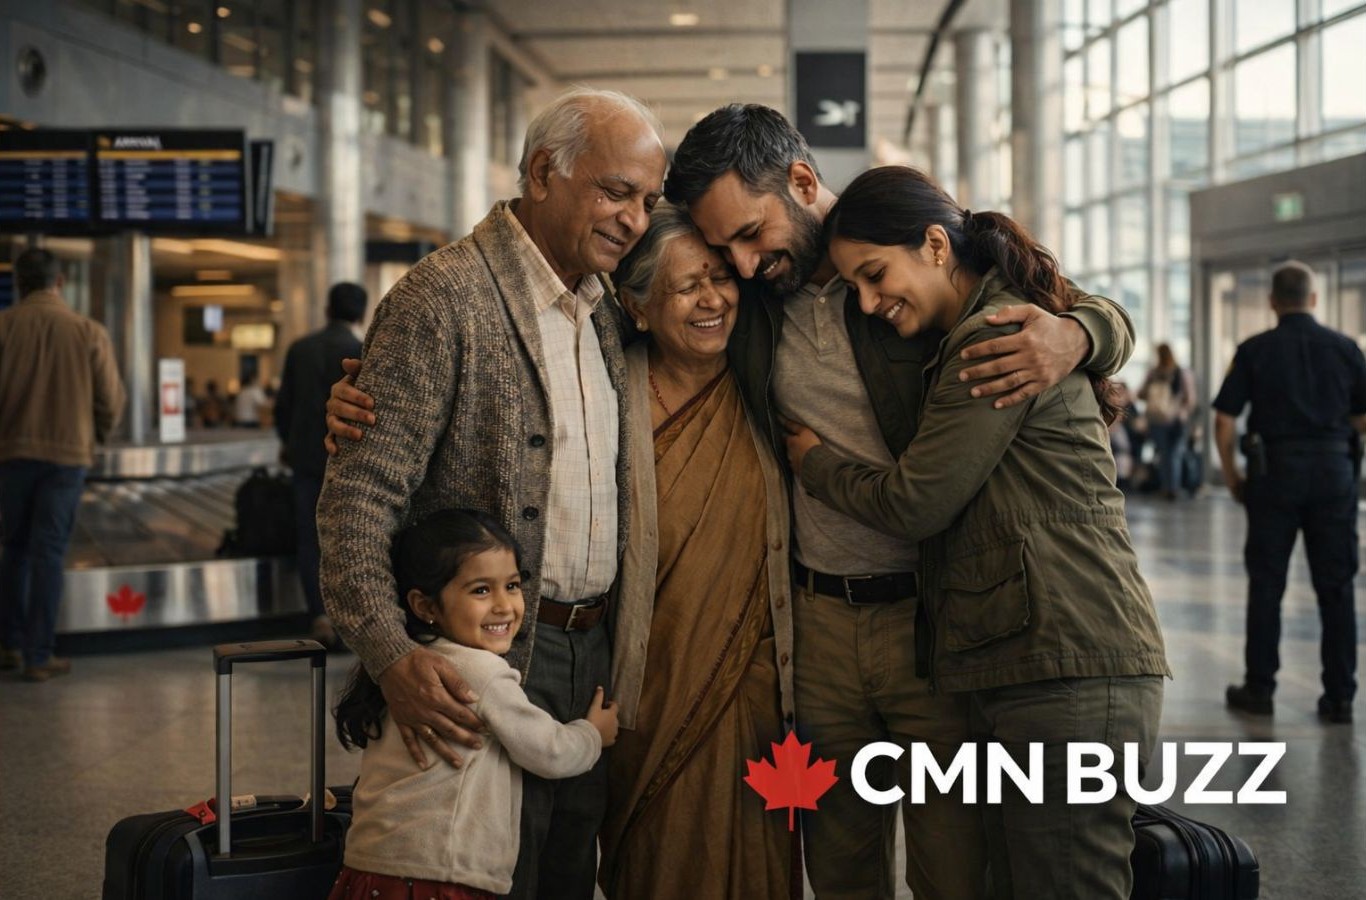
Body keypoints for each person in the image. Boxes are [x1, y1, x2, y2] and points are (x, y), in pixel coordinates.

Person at [664, 104, 1137, 899]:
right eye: (724, 249)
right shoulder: (756, 307)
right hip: (815, 630)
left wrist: (1081, 333)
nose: (742, 266)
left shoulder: (903, 255)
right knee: (838, 863)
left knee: (955, 866)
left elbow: (1072, 304)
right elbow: (639, 314)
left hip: (937, 623)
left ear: (803, 183)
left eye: (751, 234)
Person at [316, 87, 666, 900]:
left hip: (592, 649)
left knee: (569, 872)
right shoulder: (442, 300)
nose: (636, 220)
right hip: (486, 658)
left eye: (648, 200)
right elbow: (356, 500)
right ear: (544, 171)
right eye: (617, 191)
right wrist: (390, 654)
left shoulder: (607, 308)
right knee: (490, 875)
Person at [783, 165, 1168, 900]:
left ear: (934, 244)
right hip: (1032, 658)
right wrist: (1090, 328)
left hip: (1069, 658)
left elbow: (916, 502)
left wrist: (816, 462)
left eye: (874, 275)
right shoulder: (994, 322)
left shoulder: (992, 341)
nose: (866, 302)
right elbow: (1102, 317)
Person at [597, 204, 795, 898]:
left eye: (720, 278)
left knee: (760, 858)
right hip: (645, 692)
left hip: (760, 687)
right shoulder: (604, 394)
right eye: (688, 286)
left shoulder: (763, 375)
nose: (714, 298)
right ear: (639, 307)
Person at [331, 508, 617, 900]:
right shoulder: (480, 672)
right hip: (442, 877)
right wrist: (593, 734)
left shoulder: (406, 670)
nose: (503, 605)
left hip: (370, 871)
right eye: (481, 590)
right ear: (425, 606)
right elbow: (549, 752)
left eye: (512, 586)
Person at [1214, 261, 1365, 725]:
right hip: (1333, 474)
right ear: (1314, 299)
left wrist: (1233, 476)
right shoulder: (1346, 350)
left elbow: (1225, 420)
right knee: (1336, 588)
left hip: (1274, 475)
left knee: (1267, 584)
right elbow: (1362, 420)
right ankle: (1338, 696)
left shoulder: (1254, 350)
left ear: (1273, 302)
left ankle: (1260, 687)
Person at [0, 247, 126, 681]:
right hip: (66, 458)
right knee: (48, 553)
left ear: (19, 283)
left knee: (12, 549)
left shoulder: (3, 327)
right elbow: (110, 399)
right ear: (59, 282)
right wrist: (94, 438)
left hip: (11, 455)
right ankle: (40, 655)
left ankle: (9, 645)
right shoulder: (87, 331)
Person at [274, 282, 367, 647]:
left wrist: (290, 442)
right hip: (348, 460)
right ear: (360, 314)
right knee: (349, 537)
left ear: (327, 309)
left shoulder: (300, 349)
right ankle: (351, 619)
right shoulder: (361, 350)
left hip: (306, 460)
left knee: (309, 537)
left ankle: (319, 615)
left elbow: (284, 405)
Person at [1139, 343, 1197, 499]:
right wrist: (1181, 412)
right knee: (1173, 454)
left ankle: (1168, 487)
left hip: (1157, 419)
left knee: (1166, 454)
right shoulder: (1181, 373)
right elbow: (1190, 399)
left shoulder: (1153, 373)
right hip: (1177, 420)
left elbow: (1141, 393)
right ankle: (1173, 488)